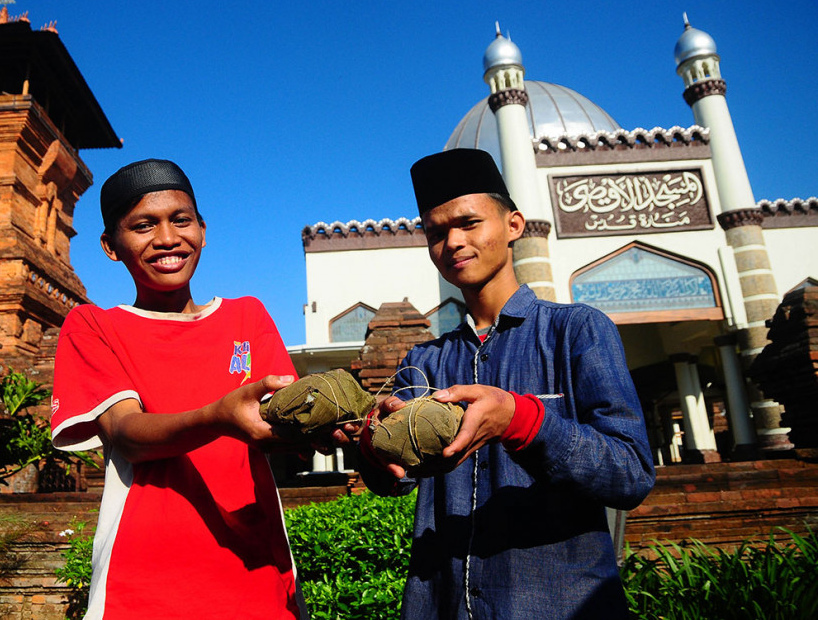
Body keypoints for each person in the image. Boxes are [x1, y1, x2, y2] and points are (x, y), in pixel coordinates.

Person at [341, 148, 655, 619]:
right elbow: (399, 483)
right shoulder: (426, 360)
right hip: (442, 604)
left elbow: (630, 473)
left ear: (513, 225)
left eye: (469, 223)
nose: (453, 242)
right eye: (436, 232)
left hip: (559, 604)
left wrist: (523, 421)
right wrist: (368, 445)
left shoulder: (576, 331)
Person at [49, 158, 306, 619]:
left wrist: (355, 425)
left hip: (259, 576)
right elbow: (126, 434)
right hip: (143, 585)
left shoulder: (248, 317)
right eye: (143, 225)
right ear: (111, 246)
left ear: (203, 230)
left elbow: (292, 426)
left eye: (180, 220)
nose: (167, 239)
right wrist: (219, 416)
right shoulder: (94, 326)